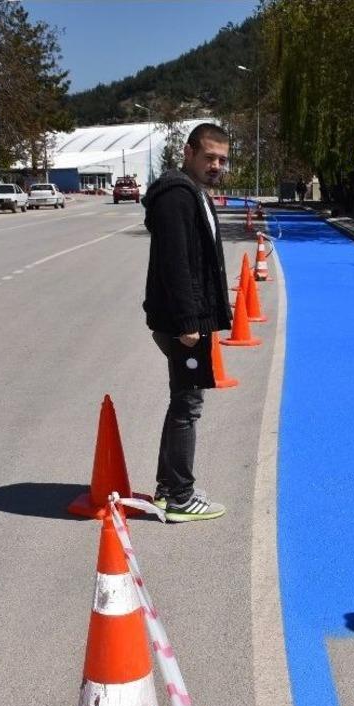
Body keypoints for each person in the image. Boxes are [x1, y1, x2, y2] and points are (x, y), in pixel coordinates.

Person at [142, 122, 233, 522]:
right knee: (188, 404)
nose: (216, 166)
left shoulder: (193, 193)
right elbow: (176, 263)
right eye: (210, 157)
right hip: (183, 323)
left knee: (184, 399)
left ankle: (169, 488)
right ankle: (180, 496)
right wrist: (188, 321)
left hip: (190, 317)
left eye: (222, 160)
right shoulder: (177, 196)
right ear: (189, 152)